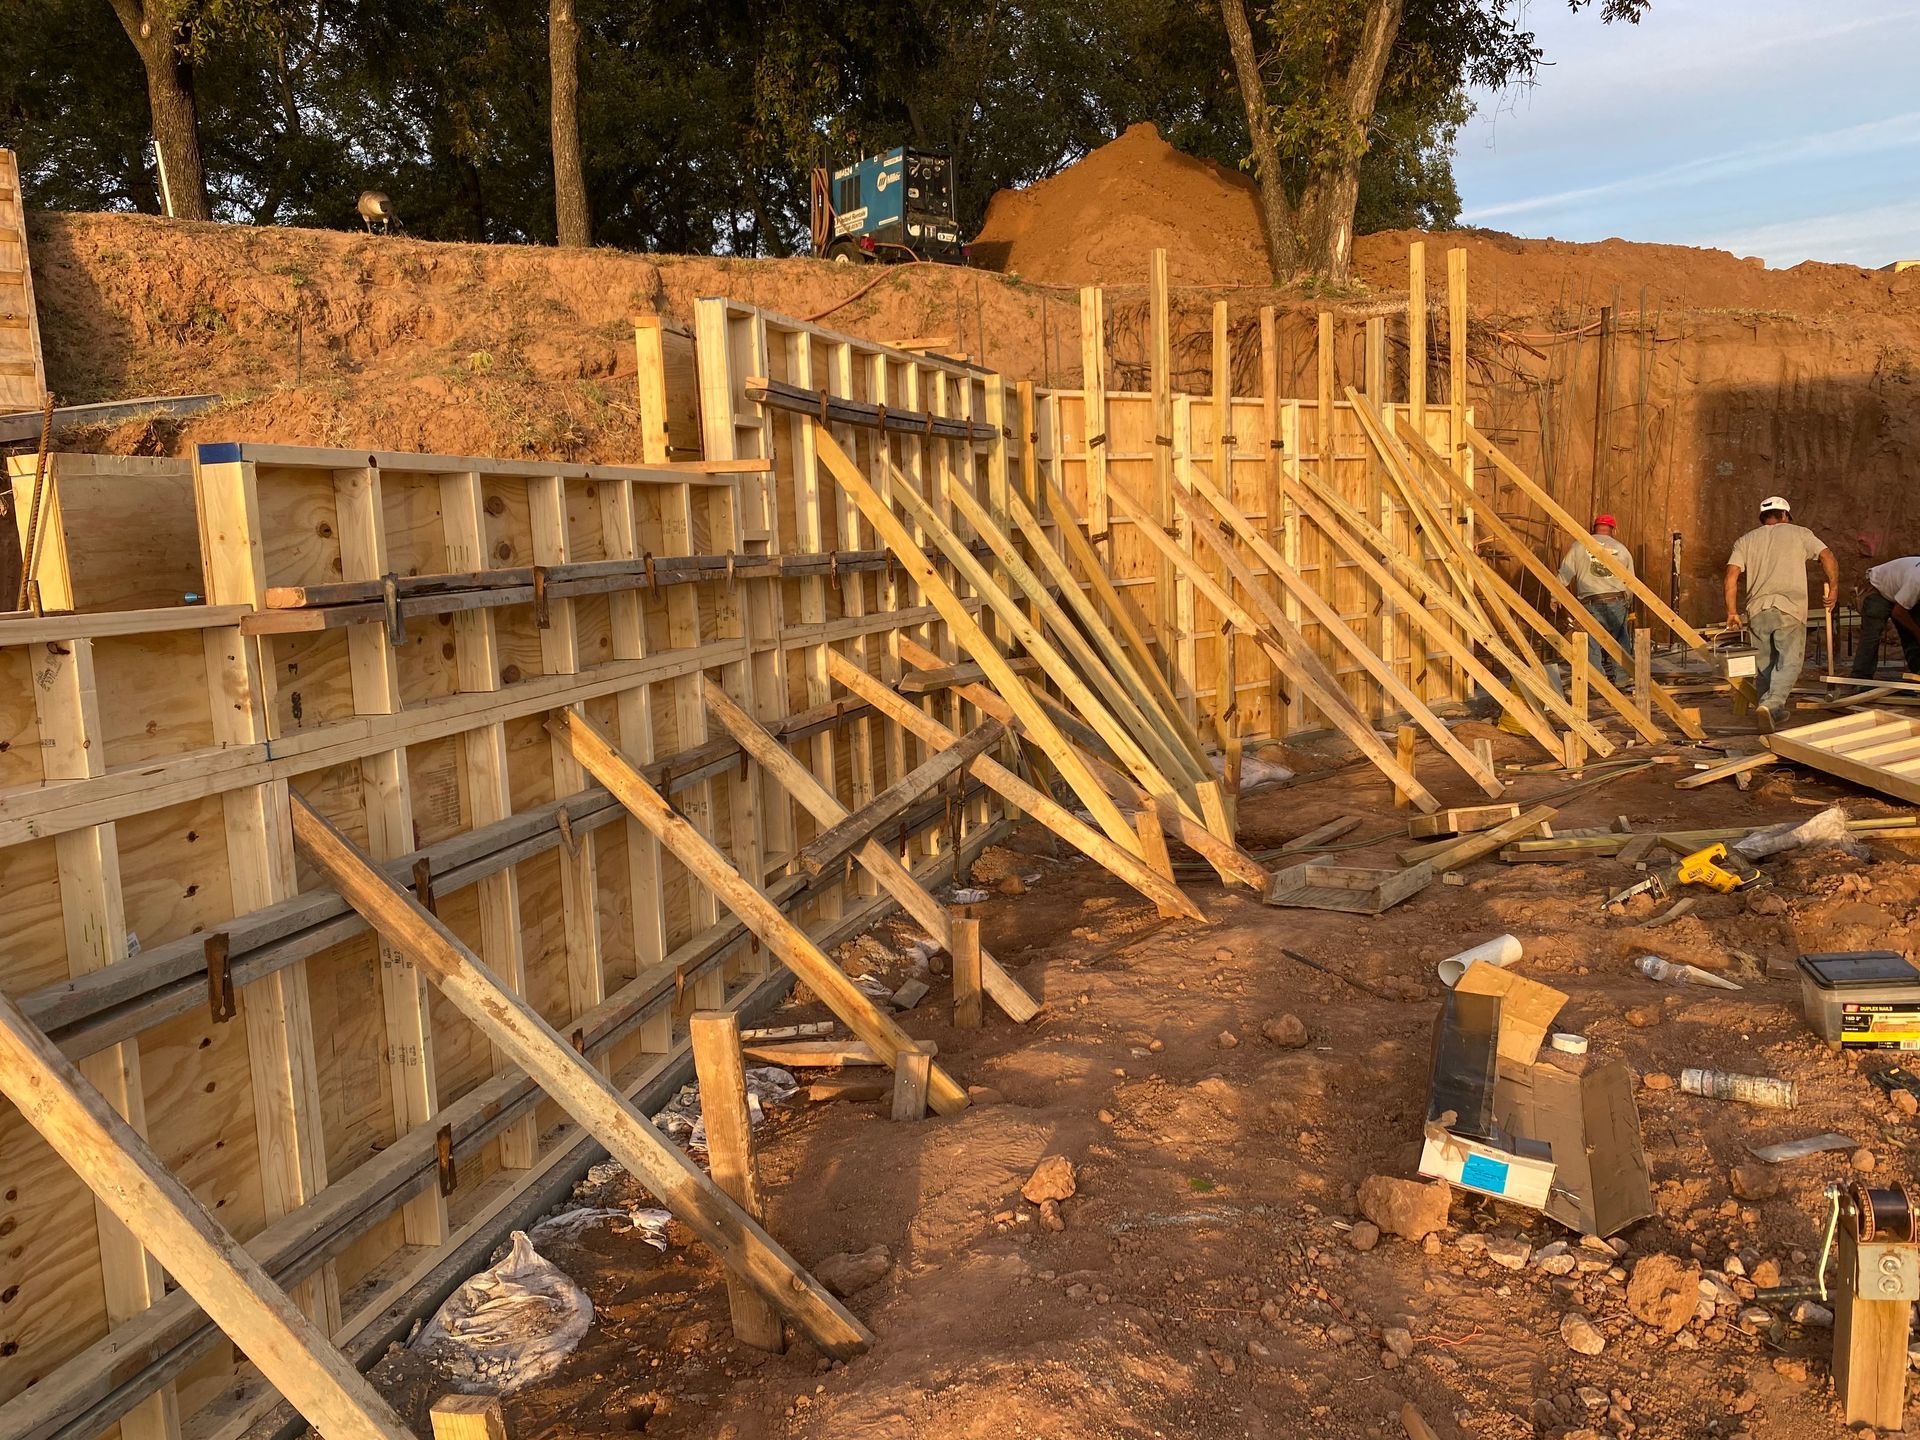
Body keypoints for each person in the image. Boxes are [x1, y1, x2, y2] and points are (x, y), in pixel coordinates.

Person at [1724, 496, 1838, 732]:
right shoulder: (1801, 534)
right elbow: (1827, 556)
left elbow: (1731, 576)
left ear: (1763, 517)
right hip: (1790, 608)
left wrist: (1732, 611)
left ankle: (1770, 710)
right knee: (1790, 663)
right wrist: (1834, 587)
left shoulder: (1745, 541)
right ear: (1785, 515)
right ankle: (1772, 703)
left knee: (1765, 665)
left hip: (1757, 610)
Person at [1557, 513, 1634, 686]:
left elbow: (1565, 573)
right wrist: (1628, 601)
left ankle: (1598, 684)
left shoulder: (1579, 546)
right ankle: (1622, 679)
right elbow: (1630, 581)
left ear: (1594, 528)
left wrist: (1555, 596)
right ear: (1613, 530)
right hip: (1616, 600)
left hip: (1590, 602)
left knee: (1591, 643)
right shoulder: (1622, 549)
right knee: (1620, 640)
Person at [1852, 554, 1920, 679]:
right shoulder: (1916, 581)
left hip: (1899, 588)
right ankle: (1861, 678)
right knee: (1872, 632)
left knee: (1913, 628)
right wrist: (1917, 632)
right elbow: (1898, 612)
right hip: (1877, 588)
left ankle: (1918, 671)